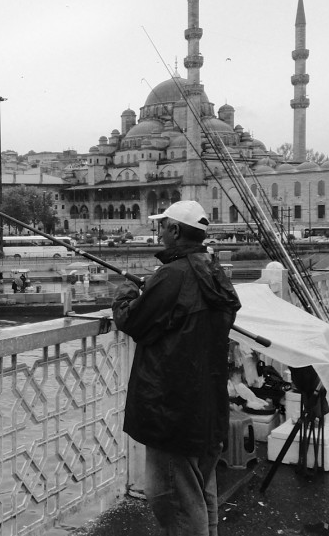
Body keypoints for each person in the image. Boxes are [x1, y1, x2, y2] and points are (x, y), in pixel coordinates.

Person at [112, 200, 241, 536]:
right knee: (200, 491)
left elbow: (133, 319)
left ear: (174, 230)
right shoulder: (213, 271)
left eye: (162, 225)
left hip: (172, 410)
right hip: (207, 406)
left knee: (174, 498)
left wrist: (126, 292)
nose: (158, 231)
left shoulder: (172, 275)